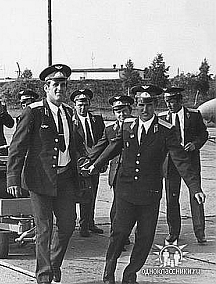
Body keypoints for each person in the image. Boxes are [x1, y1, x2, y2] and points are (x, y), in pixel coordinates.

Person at [87, 84, 206, 284]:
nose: (145, 109)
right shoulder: (127, 125)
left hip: (150, 194)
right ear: (136, 106)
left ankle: (130, 274)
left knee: (145, 238)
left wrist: (195, 188)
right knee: (119, 234)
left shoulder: (166, 130)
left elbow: (181, 160)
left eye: (149, 105)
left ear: (155, 105)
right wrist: (95, 165)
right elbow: (113, 147)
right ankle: (108, 273)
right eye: (141, 104)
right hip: (126, 192)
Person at [7, 64, 85, 284]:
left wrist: (88, 159)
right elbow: (17, 147)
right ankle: (43, 277)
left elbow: (75, 144)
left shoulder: (69, 112)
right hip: (40, 180)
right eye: (56, 85)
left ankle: (53, 264)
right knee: (44, 229)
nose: (60, 89)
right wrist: (13, 178)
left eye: (63, 84)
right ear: (46, 88)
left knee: (68, 225)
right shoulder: (33, 112)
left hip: (65, 178)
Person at [160, 87, 208, 244]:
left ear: (180, 101)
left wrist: (195, 144)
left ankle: (200, 232)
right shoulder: (162, 118)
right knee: (171, 198)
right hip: (171, 164)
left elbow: (204, 134)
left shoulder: (194, 116)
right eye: (166, 101)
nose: (169, 105)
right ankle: (173, 231)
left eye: (172, 101)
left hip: (191, 162)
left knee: (196, 195)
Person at [88, 95, 134, 247]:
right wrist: (88, 161)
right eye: (117, 112)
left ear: (130, 110)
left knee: (130, 207)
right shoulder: (109, 129)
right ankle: (118, 237)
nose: (121, 115)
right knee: (118, 206)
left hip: (136, 173)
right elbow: (100, 147)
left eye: (124, 111)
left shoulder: (138, 126)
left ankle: (123, 235)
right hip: (117, 173)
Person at [70, 89, 105, 237]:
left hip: (95, 163)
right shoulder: (70, 121)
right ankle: (82, 226)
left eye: (85, 104)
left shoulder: (97, 120)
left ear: (89, 104)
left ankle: (90, 222)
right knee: (81, 194)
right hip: (78, 164)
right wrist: (81, 162)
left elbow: (103, 141)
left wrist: (100, 161)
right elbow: (71, 145)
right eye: (79, 104)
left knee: (93, 193)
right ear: (74, 105)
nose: (82, 107)